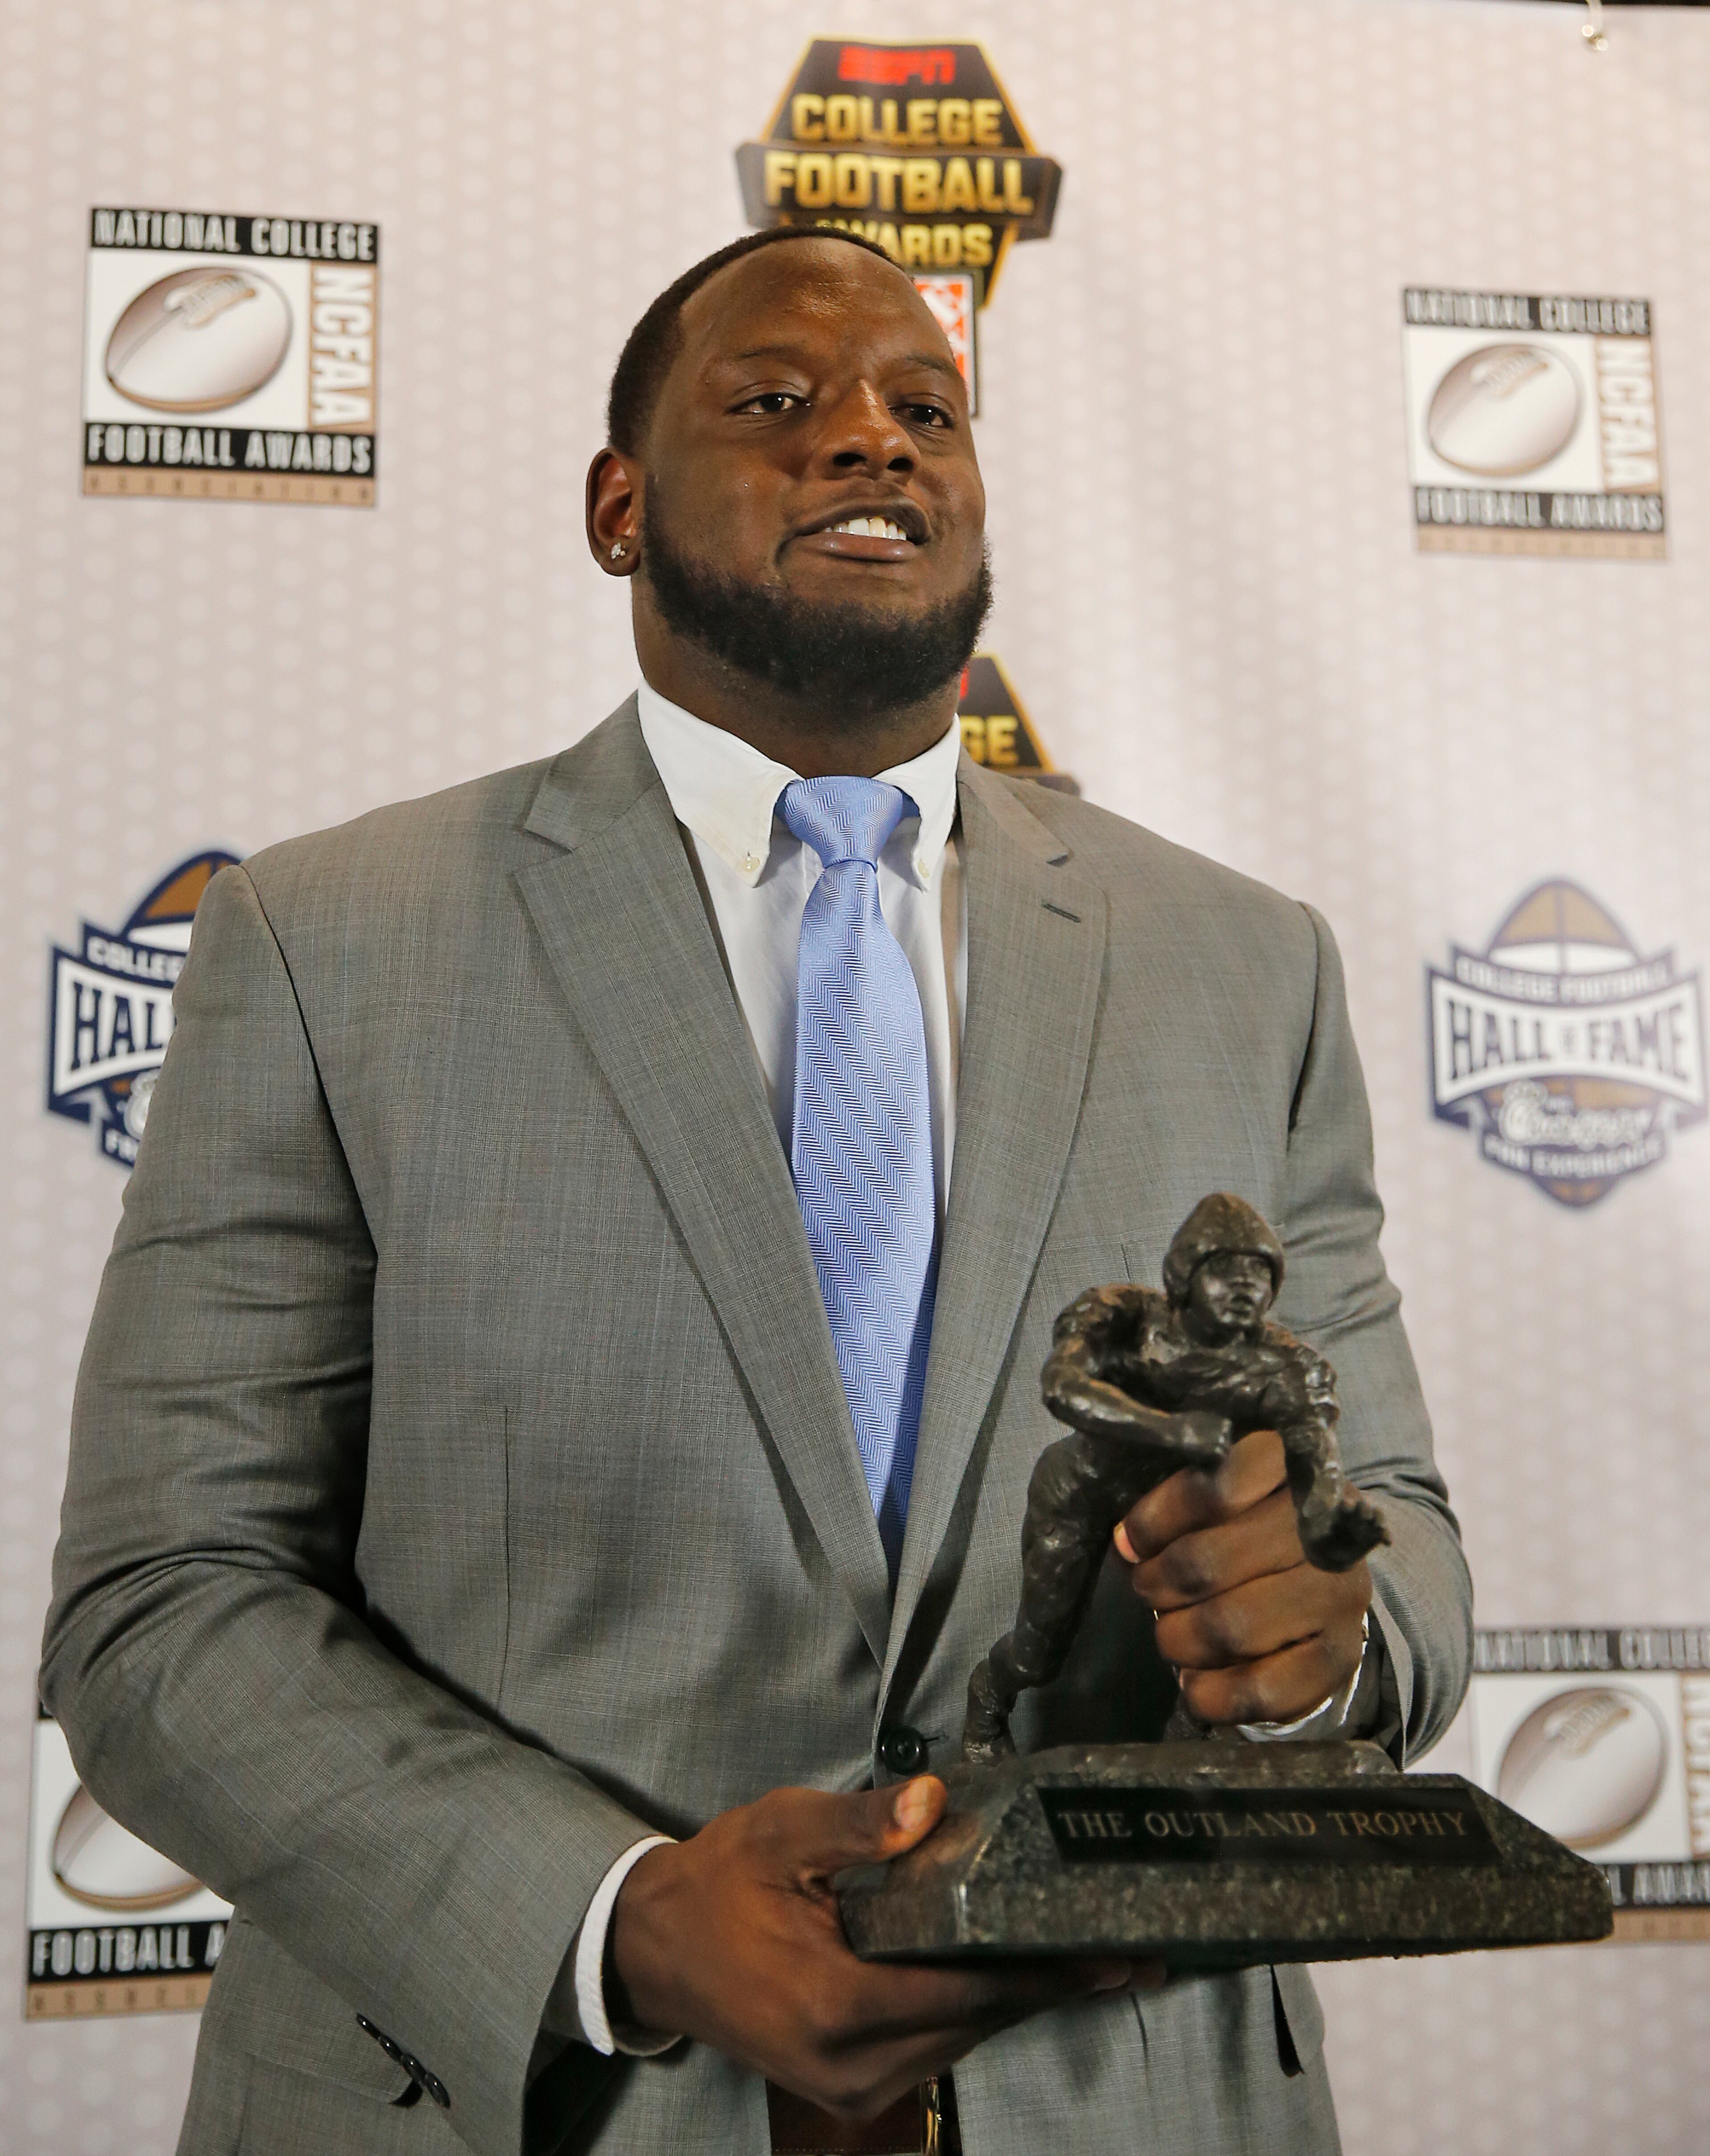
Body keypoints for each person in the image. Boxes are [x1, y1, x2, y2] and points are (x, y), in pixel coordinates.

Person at [42, 227, 1471, 2156]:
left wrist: (1321, 1648)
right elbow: (161, 1606)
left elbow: (1402, 1559)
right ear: (617, 506)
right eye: (779, 403)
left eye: (924, 411)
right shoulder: (328, 942)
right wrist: (614, 1918)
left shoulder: (1244, 959)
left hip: (1127, 2100)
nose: (869, 444)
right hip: (520, 2099)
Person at [963, 1193, 1391, 1765]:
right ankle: (987, 1702)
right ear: (1184, 1274)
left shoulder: (1286, 1364)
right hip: (1080, 1492)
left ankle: (1176, 1763)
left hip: (1180, 1519)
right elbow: (1062, 1385)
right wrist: (1171, 1431)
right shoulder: (1126, 1316)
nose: (1244, 1287)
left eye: (1259, 1274)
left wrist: (1329, 1518)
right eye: (1225, 1269)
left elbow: (1313, 1451)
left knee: (1221, 1644)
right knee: (1040, 1650)